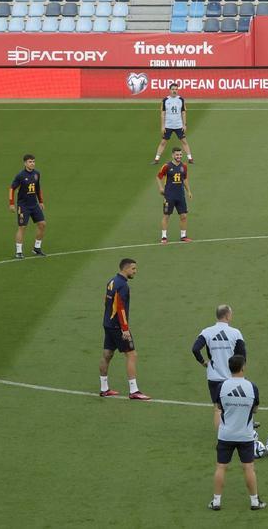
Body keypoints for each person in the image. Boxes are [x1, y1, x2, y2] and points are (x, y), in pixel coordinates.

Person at [209, 355, 265, 512]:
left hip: (225, 435)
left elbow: (219, 407)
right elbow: (255, 409)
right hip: (245, 435)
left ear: (229, 368)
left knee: (221, 467)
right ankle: (254, 502)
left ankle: (216, 501)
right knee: (248, 468)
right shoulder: (251, 387)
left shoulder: (222, 387)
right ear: (243, 367)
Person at [99, 258, 150, 400]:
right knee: (132, 355)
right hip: (118, 326)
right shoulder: (123, 286)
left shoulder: (111, 281)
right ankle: (134, 391)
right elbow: (120, 308)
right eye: (133, 269)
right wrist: (125, 329)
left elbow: (106, 300)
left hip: (108, 323)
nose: (135, 271)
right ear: (125, 269)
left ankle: (104, 388)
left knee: (107, 354)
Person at [193, 305, 246, 426]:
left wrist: (203, 362)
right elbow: (242, 355)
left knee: (218, 409)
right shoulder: (235, 333)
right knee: (236, 405)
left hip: (214, 377)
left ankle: (221, 439)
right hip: (232, 377)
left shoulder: (206, 332)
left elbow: (195, 349)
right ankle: (236, 431)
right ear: (227, 315)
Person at [10, 154, 47, 259]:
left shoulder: (36, 174)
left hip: (34, 205)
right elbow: (12, 189)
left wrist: (41, 201)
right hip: (23, 206)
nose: (32, 164)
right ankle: (18, 251)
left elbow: (38, 188)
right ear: (25, 163)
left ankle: (37, 248)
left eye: (33, 161)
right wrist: (11, 203)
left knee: (42, 224)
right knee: (22, 227)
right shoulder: (20, 176)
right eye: (30, 162)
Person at [157, 148, 192, 244]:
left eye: (180, 155)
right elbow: (158, 176)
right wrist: (160, 188)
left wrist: (188, 191)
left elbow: (184, 179)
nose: (179, 156)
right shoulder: (167, 166)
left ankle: (183, 236)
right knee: (166, 216)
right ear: (173, 155)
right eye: (177, 155)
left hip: (180, 195)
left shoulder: (184, 166)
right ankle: (164, 237)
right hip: (169, 196)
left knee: (184, 216)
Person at [154, 83, 194, 165]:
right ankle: (156, 159)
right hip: (168, 125)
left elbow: (183, 113)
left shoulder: (181, 100)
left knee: (184, 141)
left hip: (178, 125)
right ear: (170, 90)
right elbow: (163, 114)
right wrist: (162, 126)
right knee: (163, 142)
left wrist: (184, 125)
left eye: (176, 89)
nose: (174, 91)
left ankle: (190, 158)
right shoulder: (165, 100)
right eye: (173, 89)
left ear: (177, 90)